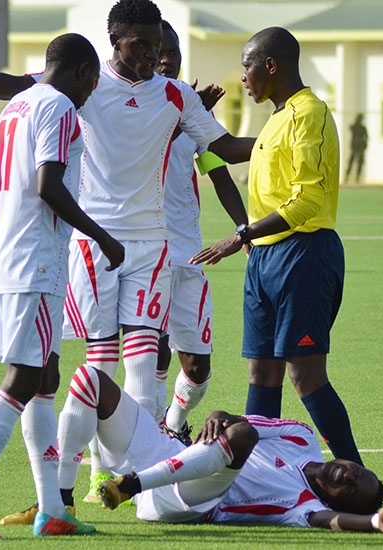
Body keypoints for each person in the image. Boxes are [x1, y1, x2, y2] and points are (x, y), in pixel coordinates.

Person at [0, 0, 255, 504]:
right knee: (97, 364)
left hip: (152, 242)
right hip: (90, 239)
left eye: (157, 47)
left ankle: (144, 478)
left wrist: (285, 138)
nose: (152, 56)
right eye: (141, 46)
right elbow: (22, 85)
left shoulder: (174, 95)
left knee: (145, 361)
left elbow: (227, 145)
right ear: (116, 44)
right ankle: (72, 483)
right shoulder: (84, 84)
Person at [0, 33, 125, 539]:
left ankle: (52, 511)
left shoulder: (15, 107)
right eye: (93, 81)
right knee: (22, 379)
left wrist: (11, 237)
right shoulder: (59, 107)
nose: (90, 93)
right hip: (37, 262)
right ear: (82, 71)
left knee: (45, 377)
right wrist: (103, 237)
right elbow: (49, 185)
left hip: (12, 256)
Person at [191, 27, 364, 466]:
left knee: (304, 374)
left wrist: (242, 235)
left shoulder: (310, 114)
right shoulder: (275, 119)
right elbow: (226, 152)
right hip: (265, 258)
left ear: (271, 65)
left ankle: (355, 472)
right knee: (261, 372)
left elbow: (309, 199)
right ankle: (259, 473)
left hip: (303, 254)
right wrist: (194, 118)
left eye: (247, 66)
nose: (243, 76)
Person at [55, 364, 383, 539]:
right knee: (91, 381)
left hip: (189, 504)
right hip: (167, 452)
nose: (350, 476)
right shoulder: (302, 437)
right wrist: (217, 417)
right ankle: (59, 503)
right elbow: (232, 419)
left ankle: (130, 485)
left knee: (242, 437)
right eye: (358, 472)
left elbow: (333, 522)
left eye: (353, 490)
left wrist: (372, 522)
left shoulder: (305, 507)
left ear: (338, 503)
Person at [153, 20, 248, 445]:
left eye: (173, 50)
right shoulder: (123, 106)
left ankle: (174, 421)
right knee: (148, 355)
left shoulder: (192, 109)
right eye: (159, 51)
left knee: (197, 367)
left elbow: (218, 172)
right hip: (140, 252)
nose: (168, 59)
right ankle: (146, 443)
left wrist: (244, 229)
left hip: (186, 254)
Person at [345, 113, 368, 183]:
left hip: (361, 148)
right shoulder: (355, 127)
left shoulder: (363, 128)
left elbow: (366, 137)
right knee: (351, 162)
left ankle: (357, 178)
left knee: (360, 163)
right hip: (354, 147)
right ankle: (347, 176)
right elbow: (351, 128)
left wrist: (362, 142)